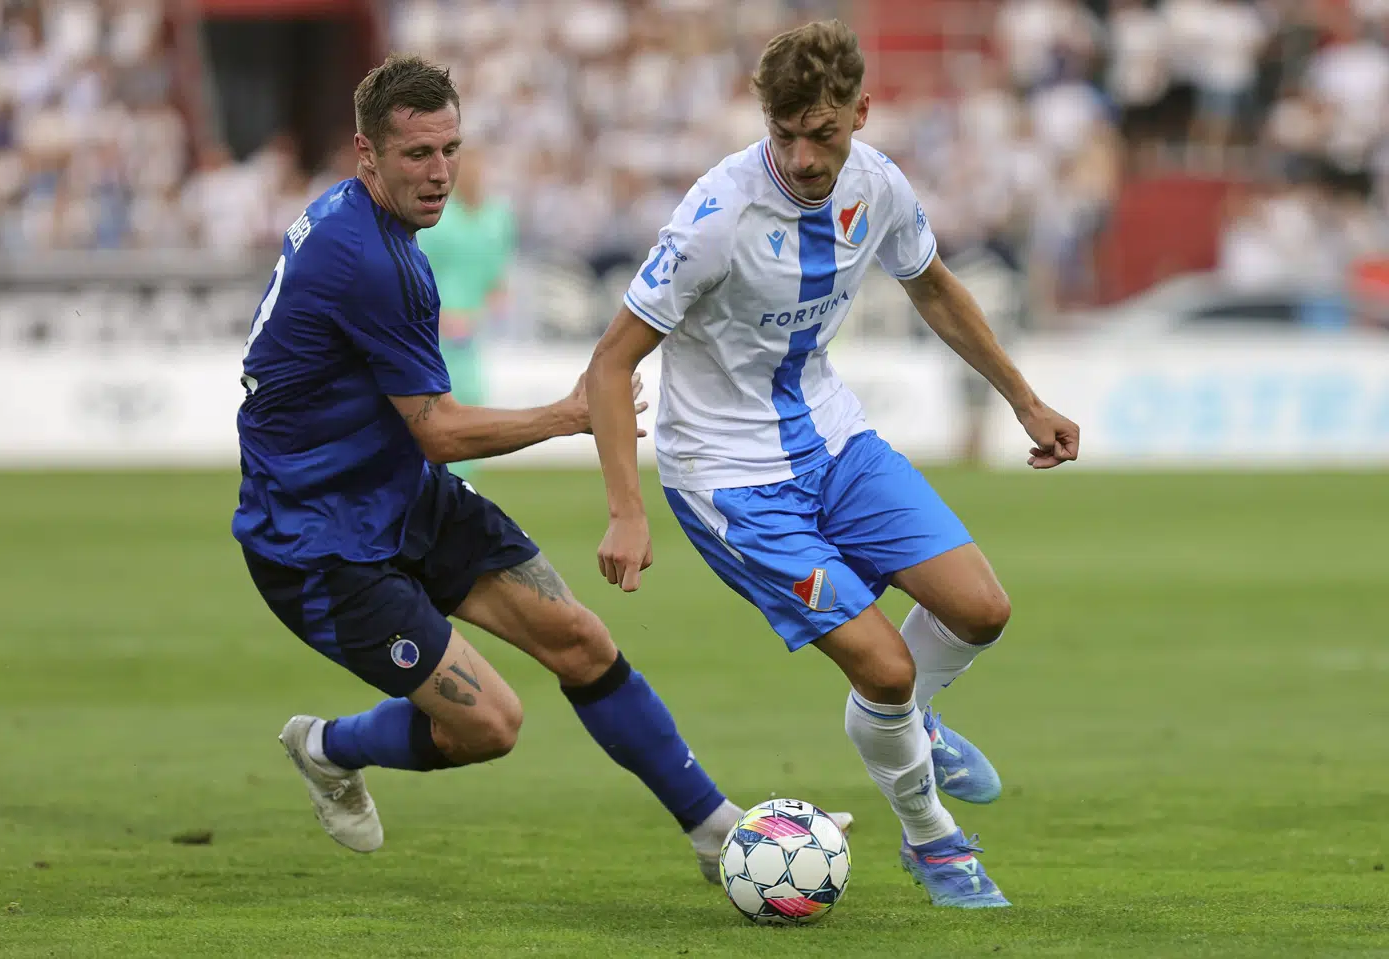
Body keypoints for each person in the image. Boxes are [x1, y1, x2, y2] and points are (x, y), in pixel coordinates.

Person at [234, 55, 838, 881]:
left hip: (399, 496)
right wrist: (570, 414)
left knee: (580, 639)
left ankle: (713, 829)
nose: (441, 171)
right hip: (318, 542)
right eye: (417, 155)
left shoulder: (372, 231)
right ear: (365, 155)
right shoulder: (369, 260)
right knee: (490, 724)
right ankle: (326, 744)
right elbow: (439, 431)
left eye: (450, 148)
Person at [585, 20, 1079, 909]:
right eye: (785, 136)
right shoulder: (716, 218)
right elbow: (610, 361)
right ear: (763, 120)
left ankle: (912, 726)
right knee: (883, 668)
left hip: (832, 436)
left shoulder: (878, 183)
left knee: (980, 608)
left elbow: (931, 284)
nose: (806, 157)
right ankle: (934, 841)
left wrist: (1024, 398)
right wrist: (627, 507)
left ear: (861, 111)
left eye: (824, 133)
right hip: (727, 477)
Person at [414, 146, 515, 479]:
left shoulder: (498, 217)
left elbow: (497, 274)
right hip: (432, 328)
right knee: (434, 405)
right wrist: (437, 315)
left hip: (470, 331)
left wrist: (492, 300)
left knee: (470, 400)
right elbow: (419, 269)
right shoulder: (438, 218)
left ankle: (455, 486)